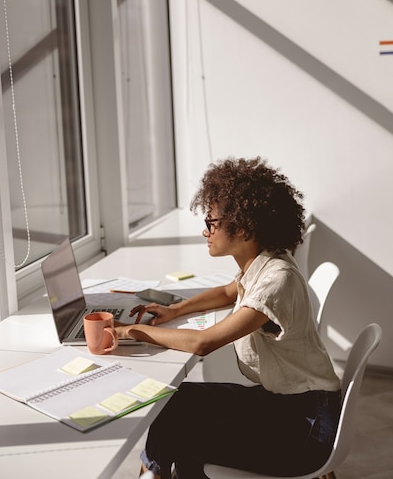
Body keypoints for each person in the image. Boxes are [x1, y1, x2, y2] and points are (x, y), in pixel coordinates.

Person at [116, 156, 341, 479]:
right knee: (175, 400)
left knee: (184, 437)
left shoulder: (276, 280)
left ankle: (154, 473)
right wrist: (175, 310)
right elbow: (227, 292)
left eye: (212, 223)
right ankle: (154, 472)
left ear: (245, 227)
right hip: (284, 404)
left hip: (306, 426)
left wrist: (133, 331)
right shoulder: (261, 264)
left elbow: (203, 343)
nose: (206, 231)